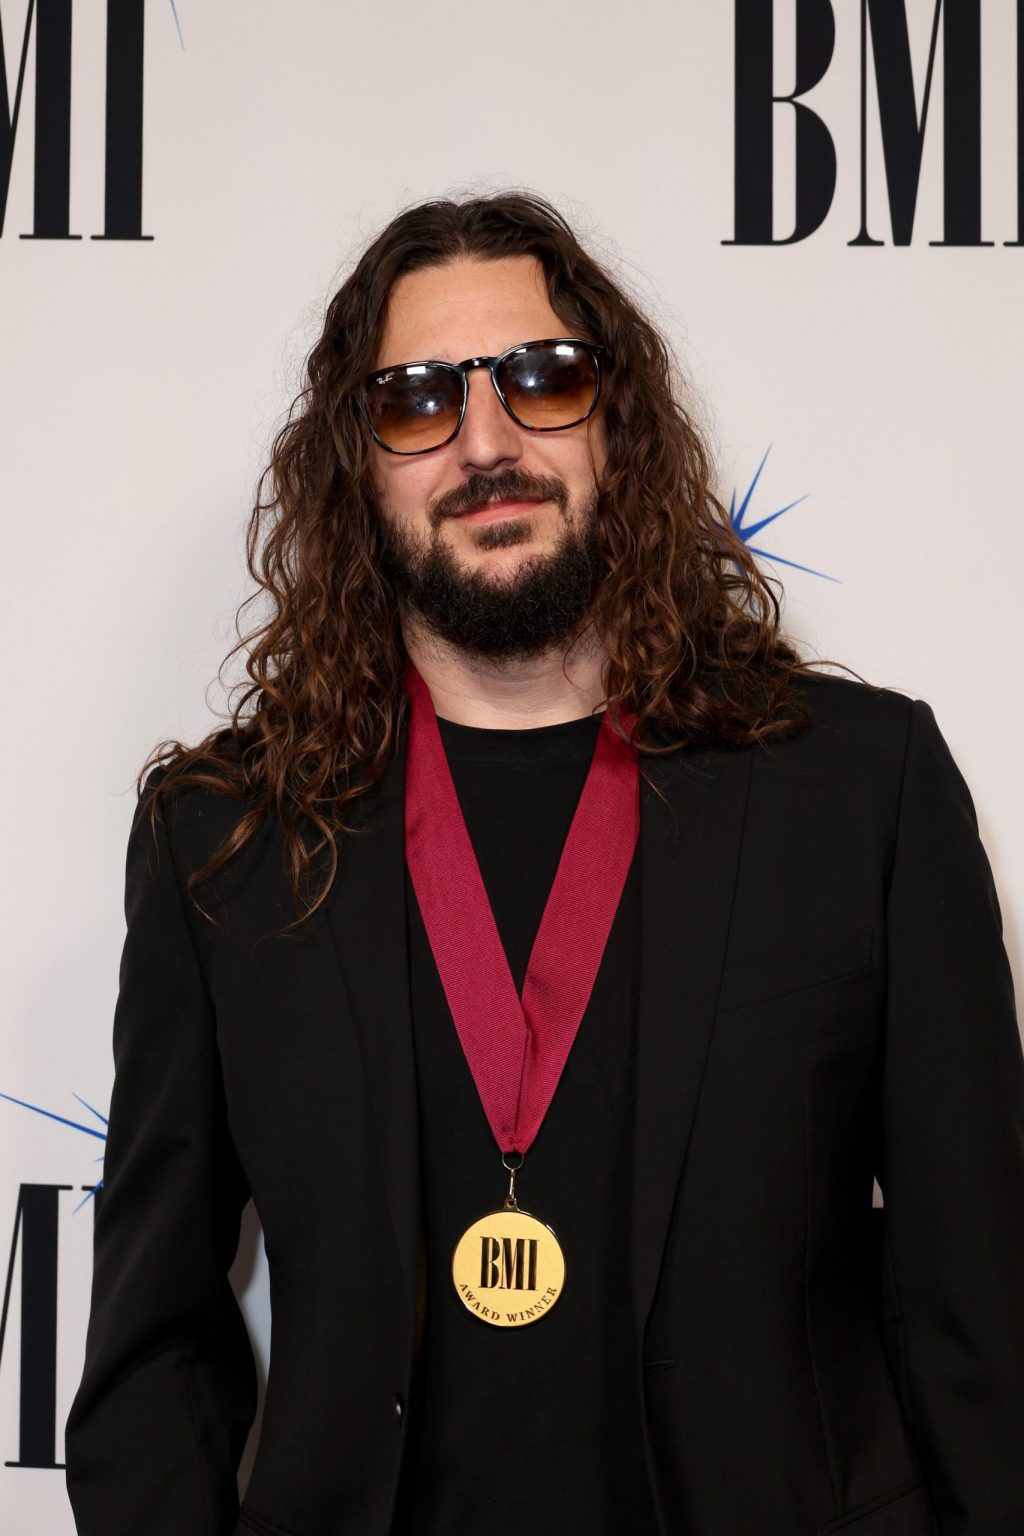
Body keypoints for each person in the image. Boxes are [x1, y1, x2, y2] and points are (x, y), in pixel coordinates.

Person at [64, 191, 1023, 1536]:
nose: (487, 443)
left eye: (542, 380)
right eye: (417, 403)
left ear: (617, 421)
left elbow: (981, 1324)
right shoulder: (225, 837)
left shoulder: (864, 793)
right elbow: (153, 1350)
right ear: (360, 464)